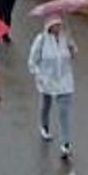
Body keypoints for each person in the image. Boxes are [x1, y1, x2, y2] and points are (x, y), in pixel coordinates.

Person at [27, 15, 76, 161]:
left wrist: (72, 47)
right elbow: (32, 61)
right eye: (55, 25)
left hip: (64, 81)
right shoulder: (41, 39)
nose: (58, 27)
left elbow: (72, 55)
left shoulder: (66, 37)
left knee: (64, 112)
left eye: (59, 24)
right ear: (48, 26)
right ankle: (44, 126)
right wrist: (38, 74)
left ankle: (65, 144)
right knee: (46, 106)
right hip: (46, 80)